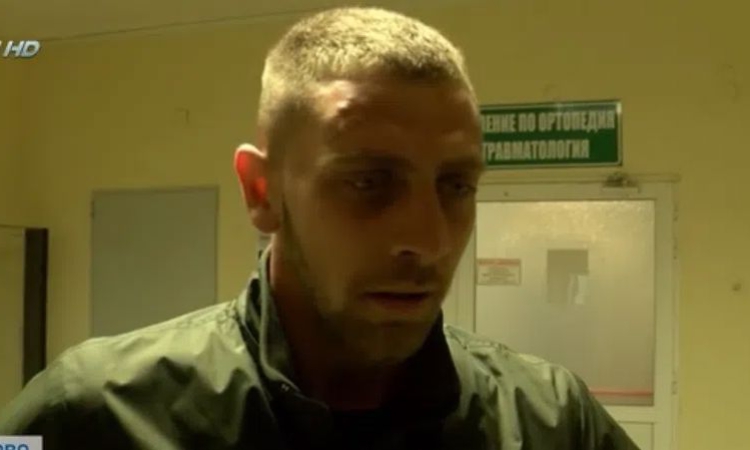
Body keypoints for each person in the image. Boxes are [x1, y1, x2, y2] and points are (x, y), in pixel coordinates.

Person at [0, 7, 639, 450]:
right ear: (262, 192)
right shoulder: (89, 414)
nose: (430, 240)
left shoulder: (552, 422)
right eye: (368, 182)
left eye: (456, 186)